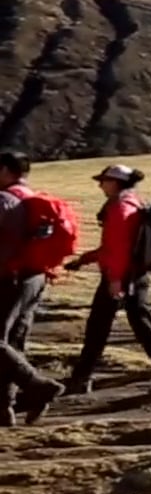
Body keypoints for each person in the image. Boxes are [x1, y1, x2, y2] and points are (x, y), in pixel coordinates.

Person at [66, 165, 151, 398]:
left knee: (99, 327)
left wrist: (115, 280)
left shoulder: (120, 208)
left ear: (116, 183)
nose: (100, 185)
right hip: (134, 274)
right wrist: (84, 260)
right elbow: (115, 247)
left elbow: (117, 249)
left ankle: (81, 378)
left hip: (121, 276)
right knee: (139, 322)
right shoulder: (134, 202)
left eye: (104, 181)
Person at [0, 153, 65, 426]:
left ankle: (38, 385)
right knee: (13, 344)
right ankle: (5, 409)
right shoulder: (33, 199)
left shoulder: (4, 200)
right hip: (37, 277)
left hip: (11, 277)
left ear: (4, 170)